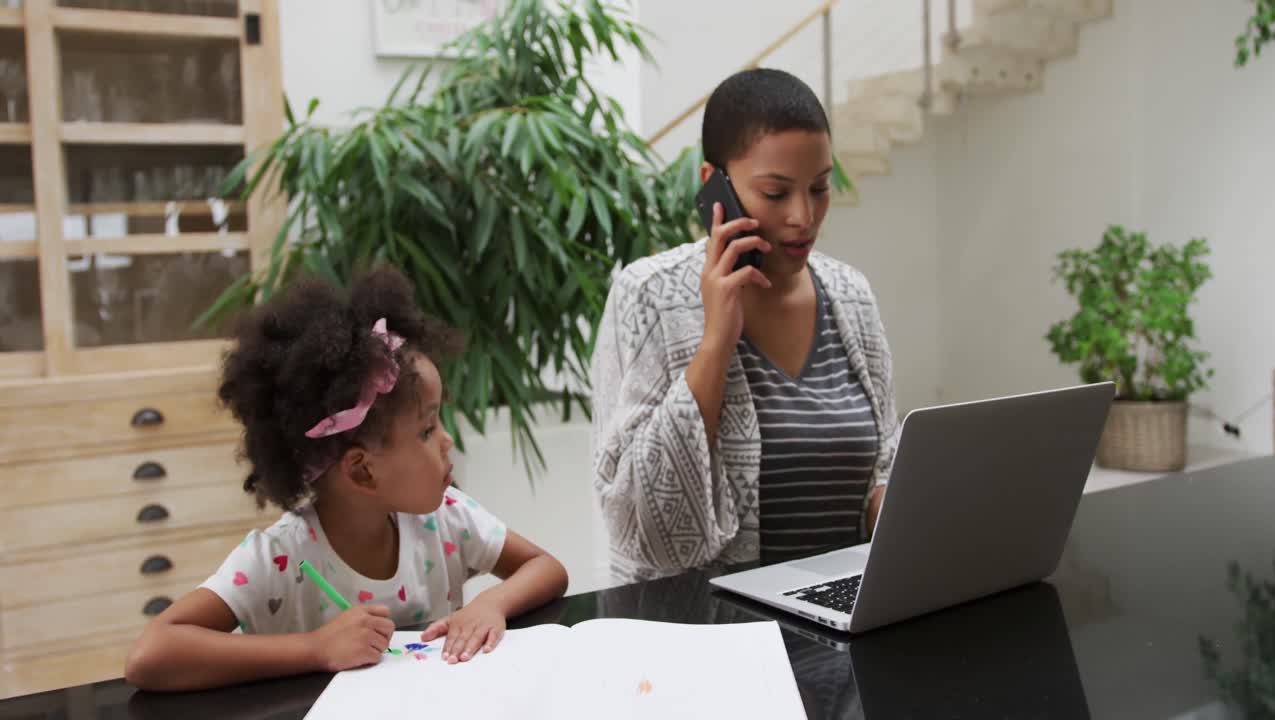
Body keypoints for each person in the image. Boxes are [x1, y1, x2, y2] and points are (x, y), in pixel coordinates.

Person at [125, 268, 568, 691]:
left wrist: (491, 603)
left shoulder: (449, 521)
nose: (448, 442)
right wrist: (314, 649)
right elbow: (150, 655)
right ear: (361, 470)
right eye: (428, 429)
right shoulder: (280, 559)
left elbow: (546, 569)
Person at [591, 68, 898, 584]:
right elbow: (635, 523)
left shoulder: (851, 295)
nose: (805, 216)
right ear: (715, 184)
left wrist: (902, 513)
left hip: (842, 626)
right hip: (711, 635)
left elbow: (883, 465)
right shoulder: (649, 296)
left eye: (820, 187)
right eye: (775, 194)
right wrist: (715, 341)